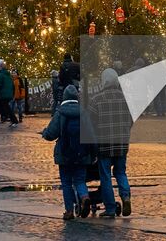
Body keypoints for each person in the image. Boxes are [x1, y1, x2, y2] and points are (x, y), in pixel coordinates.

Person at [89, 68, 133, 218]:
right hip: (122, 143)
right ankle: (125, 196)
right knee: (121, 172)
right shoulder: (127, 98)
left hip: (104, 145)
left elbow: (90, 124)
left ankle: (110, 208)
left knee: (105, 176)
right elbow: (131, 121)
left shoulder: (96, 100)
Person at [43, 83, 89, 219]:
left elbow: (51, 133)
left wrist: (45, 133)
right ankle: (84, 196)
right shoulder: (84, 112)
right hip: (82, 153)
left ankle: (69, 211)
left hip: (64, 153)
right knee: (80, 180)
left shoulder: (60, 112)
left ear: (64, 97)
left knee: (66, 182)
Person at [0, 59, 17, 127]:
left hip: (1, 95)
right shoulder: (8, 74)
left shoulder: (0, 74)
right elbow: (12, 85)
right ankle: (14, 121)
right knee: (5, 107)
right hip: (8, 94)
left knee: (0, 108)